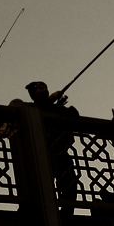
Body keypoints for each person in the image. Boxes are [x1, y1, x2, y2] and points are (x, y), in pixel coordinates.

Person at [13, 81, 81, 215]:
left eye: (45, 88)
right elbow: (36, 110)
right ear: (33, 95)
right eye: (39, 88)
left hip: (60, 153)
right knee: (40, 186)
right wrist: (51, 100)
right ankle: (31, 212)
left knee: (70, 184)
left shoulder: (56, 108)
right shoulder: (29, 108)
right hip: (40, 154)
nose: (43, 90)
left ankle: (67, 212)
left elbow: (74, 117)